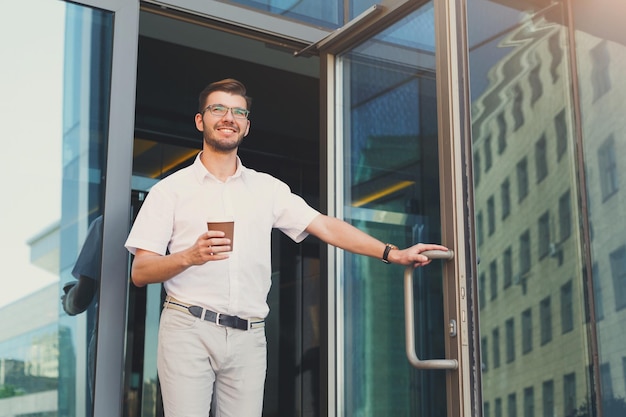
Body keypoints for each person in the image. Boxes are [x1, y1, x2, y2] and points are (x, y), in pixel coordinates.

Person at [124, 78, 448, 417]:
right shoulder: (170, 191)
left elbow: (324, 225)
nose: (228, 117)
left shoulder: (267, 189)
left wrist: (391, 253)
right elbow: (141, 272)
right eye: (218, 109)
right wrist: (190, 256)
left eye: (238, 111)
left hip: (248, 336)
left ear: (246, 126)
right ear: (200, 120)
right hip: (188, 328)